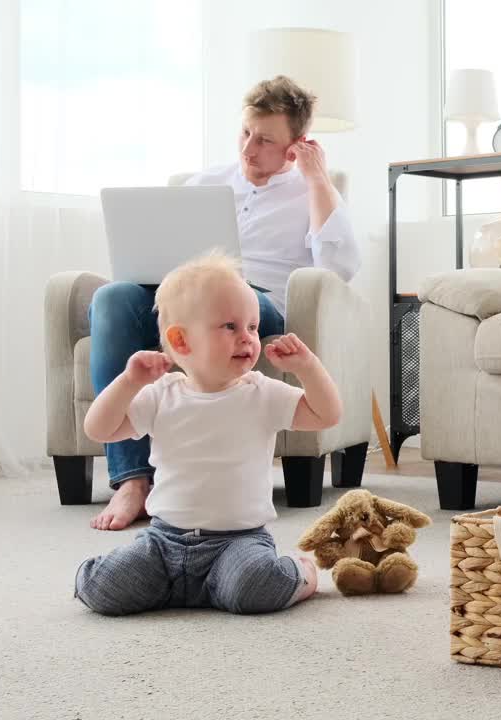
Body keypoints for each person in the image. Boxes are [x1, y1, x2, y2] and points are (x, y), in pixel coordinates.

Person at [88, 75, 358, 530]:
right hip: (184, 296)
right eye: (246, 133)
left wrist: (315, 177)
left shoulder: (312, 190)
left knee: (234, 304)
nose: (249, 149)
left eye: (266, 140)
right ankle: (133, 481)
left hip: (253, 304)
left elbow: (338, 266)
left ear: (296, 146)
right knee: (112, 297)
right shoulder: (206, 181)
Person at [75, 252, 341, 615]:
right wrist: (128, 382)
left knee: (255, 588)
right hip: (164, 541)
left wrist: (307, 368)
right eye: (230, 326)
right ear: (181, 342)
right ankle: (178, 585)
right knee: (104, 588)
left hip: (238, 543)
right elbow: (99, 428)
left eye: (252, 326)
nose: (247, 338)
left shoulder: (261, 392)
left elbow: (326, 414)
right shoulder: (160, 394)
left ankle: (301, 572)